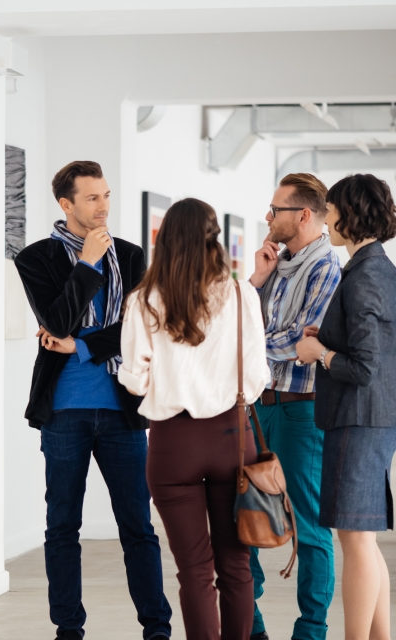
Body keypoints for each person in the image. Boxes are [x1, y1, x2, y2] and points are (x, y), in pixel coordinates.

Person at [14, 161, 172, 640]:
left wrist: (82, 345)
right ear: (66, 205)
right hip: (63, 412)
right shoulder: (36, 258)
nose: (104, 206)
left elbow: (139, 328)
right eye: (92, 198)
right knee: (62, 526)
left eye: (105, 196)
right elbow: (57, 322)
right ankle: (68, 628)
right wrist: (85, 265)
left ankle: (157, 627)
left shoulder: (130, 254)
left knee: (138, 528)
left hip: (122, 410)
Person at [119, 198, 269, 640]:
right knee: (236, 565)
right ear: (214, 238)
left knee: (195, 572)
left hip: (172, 443)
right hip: (231, 439)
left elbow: (133, 380)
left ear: (164, 241)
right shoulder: (243, 294)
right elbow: (258, 377)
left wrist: (170, 382)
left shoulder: (144, 300)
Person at [296, 174, 396, 640]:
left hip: (358, 419)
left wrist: (321, 354)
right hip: (368, 419)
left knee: (354, 541)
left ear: (350, 214)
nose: (327, 219)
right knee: (365, 542)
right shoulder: (375, 269)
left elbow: (364, 366)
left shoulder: (365, 275)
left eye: (331, 210)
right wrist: (328, 341)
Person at [249, 173, 341, 640]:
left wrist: (251, 343)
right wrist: (256, 281)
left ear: (303, 215)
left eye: (275, 209)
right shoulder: (276, 265)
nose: (267, 218)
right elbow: (247, 323)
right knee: (243, 516)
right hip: (258, 409)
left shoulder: (326, 268)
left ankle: (311, 631)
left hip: (302, 412)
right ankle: (251, 623)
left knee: (308, 527)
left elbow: (302, 337)